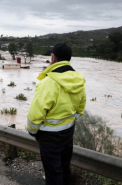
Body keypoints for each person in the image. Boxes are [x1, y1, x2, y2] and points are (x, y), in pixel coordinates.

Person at [27, 43, 86, 185]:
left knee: (53, 174)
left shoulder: (48, 82)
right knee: (64, 169)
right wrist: (69, 121)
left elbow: (36, 115)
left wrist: (33, 132)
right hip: (68, 133)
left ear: (53, 58)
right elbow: (80, 107)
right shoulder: (78, 79)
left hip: (49, 138)